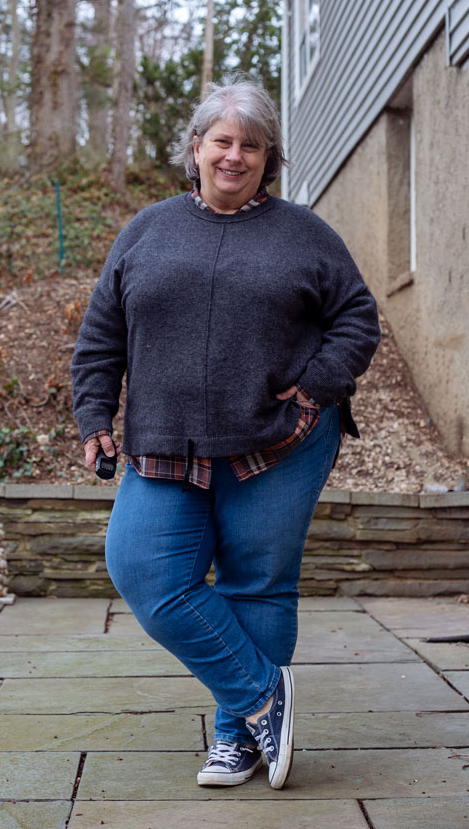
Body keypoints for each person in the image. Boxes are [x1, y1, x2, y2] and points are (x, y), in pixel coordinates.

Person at [71, 77, 380, 790]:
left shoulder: (305, 234)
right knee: (144, 570)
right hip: (164, 442)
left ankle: (238, 740)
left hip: (279, 441)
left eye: (252, 145)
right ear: (196, 147)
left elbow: (357, 318)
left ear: (269, 158)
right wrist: (94, 416)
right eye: (222, 140)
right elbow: (101, 337)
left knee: (257, 585)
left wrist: (317, 386)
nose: (234, 155)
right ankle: (263, 696)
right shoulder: (146, 230)